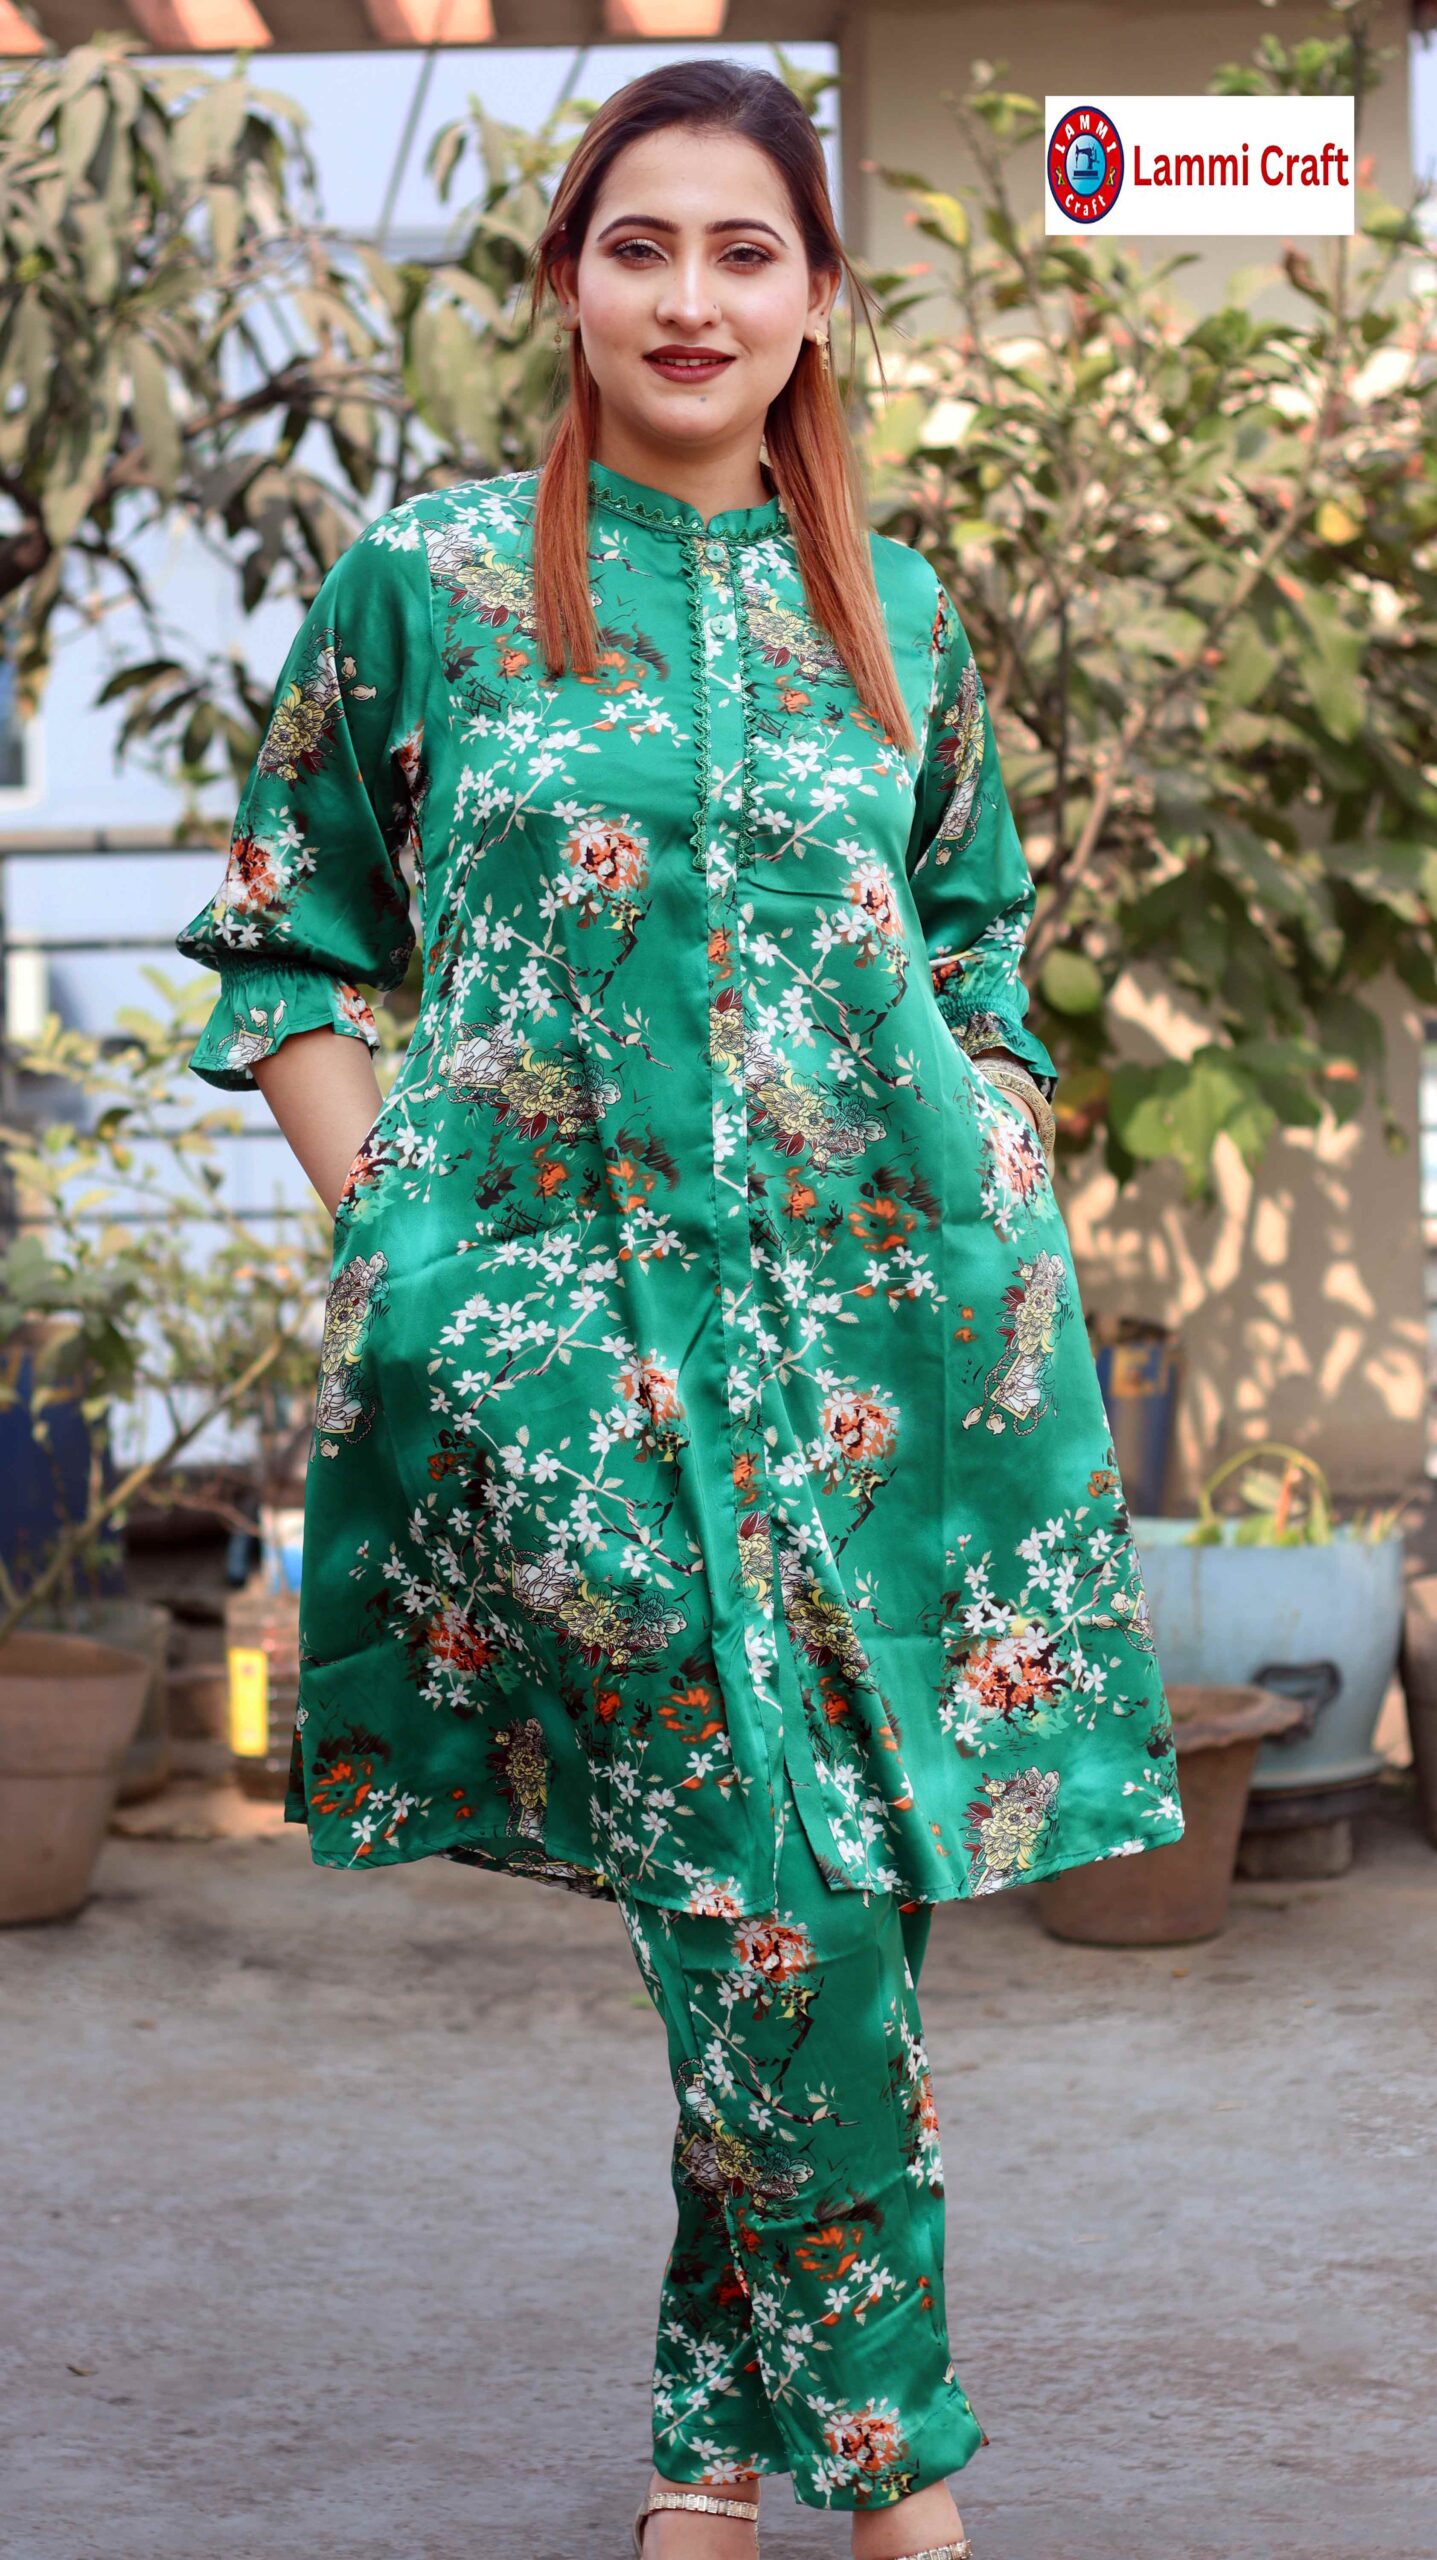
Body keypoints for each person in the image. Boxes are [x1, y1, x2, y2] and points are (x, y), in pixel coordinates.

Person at [175, 57, 1184, 2560]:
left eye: (746, 251)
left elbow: (976, 950)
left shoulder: (894, 614)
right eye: (640, 245)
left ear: (817, 296)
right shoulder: (426, 584)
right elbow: (287, 934)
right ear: (565, 282)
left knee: (811, 1895)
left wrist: (998, 1155)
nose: (691, 296)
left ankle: (698, 2464)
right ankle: (903, 2484)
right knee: (766, 1887)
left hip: (887, 1368)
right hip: (571, 1371)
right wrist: (403, 1242)